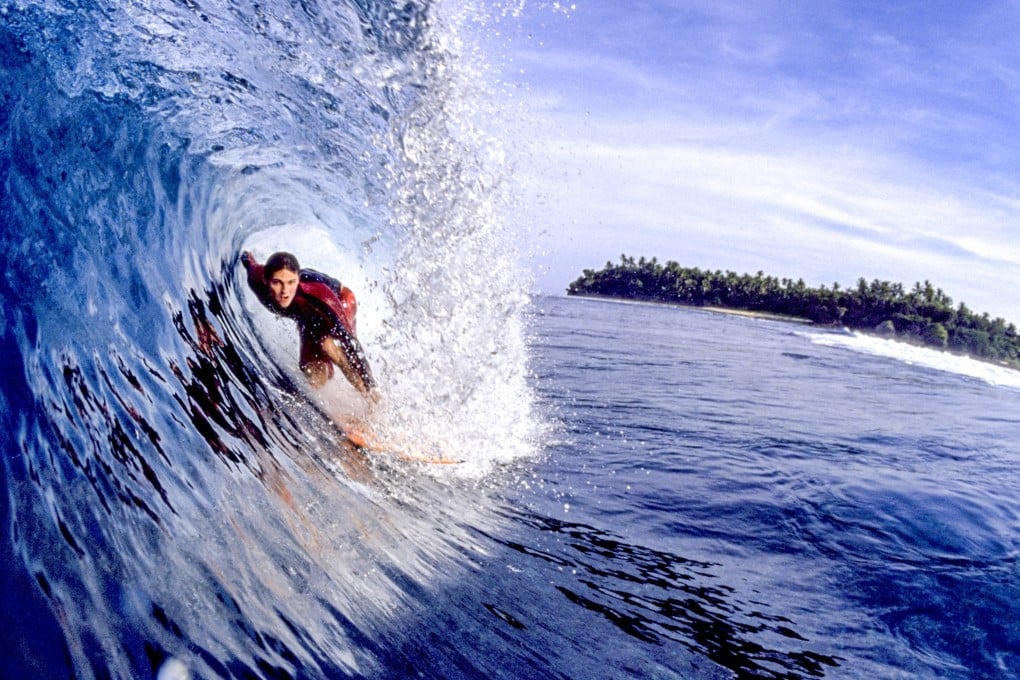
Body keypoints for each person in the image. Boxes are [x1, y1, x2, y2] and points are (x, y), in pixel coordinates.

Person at [241, 250, 375, 395]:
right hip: (307, 316)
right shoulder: (256, 278)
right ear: (266, 280)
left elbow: (351, 342)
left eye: (291, 282)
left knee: (331, 348)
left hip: (341, 301)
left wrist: (370, 383)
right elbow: (248, 260)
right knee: (310, 365)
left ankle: (371, 398)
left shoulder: (317, 296)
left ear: (297, 280)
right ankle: (315, 394)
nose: (285, 291)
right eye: (277, 283)